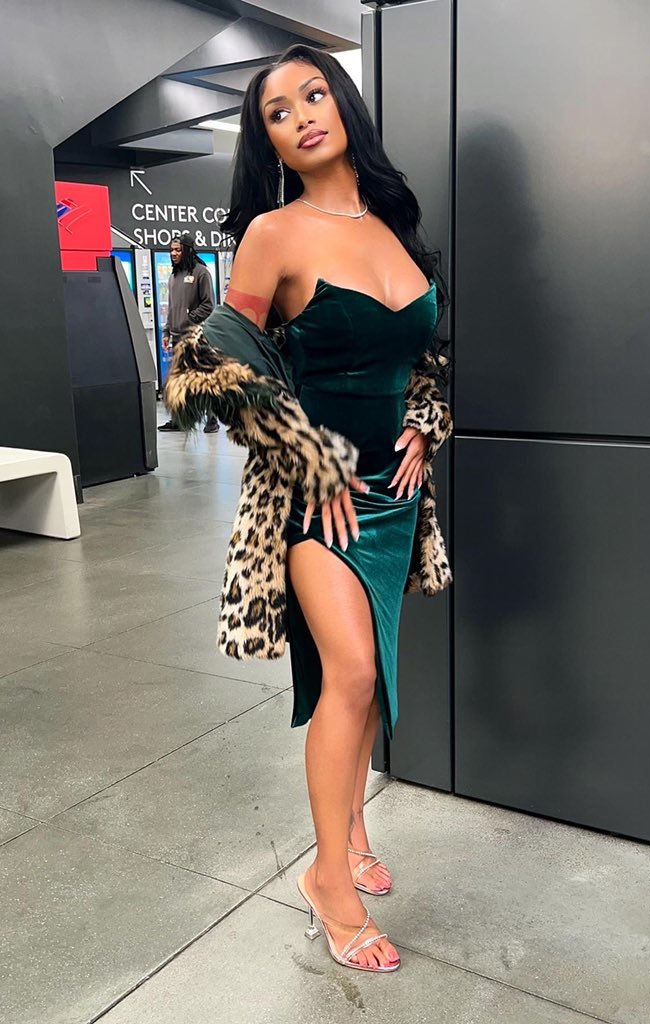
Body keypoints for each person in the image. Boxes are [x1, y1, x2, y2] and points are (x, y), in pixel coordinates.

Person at [163, 44, 452, 973]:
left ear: (343, 105)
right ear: (270, 144)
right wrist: (307, 456)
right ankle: (328, 877)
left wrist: (425, 421)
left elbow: (424, 353)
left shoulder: (394, 225)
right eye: (277, 113)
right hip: (315, 503)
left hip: (395, 503)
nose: (300, 117)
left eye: (313, 95)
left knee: (363, 684)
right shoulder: (272, 235)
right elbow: (209, 366)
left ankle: (354, 833)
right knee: (352, 674)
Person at [158, 233, 217, 432]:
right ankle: (179, 420)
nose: (173, 253)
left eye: (178, 250)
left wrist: (189, 319)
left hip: (196, 336)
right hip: (177, 337)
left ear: (187, 250)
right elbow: (172, 307)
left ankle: (212, 419)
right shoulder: (173, 276)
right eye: (171, 250)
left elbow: (208, 304)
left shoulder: (201, 273)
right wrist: (167, 331)